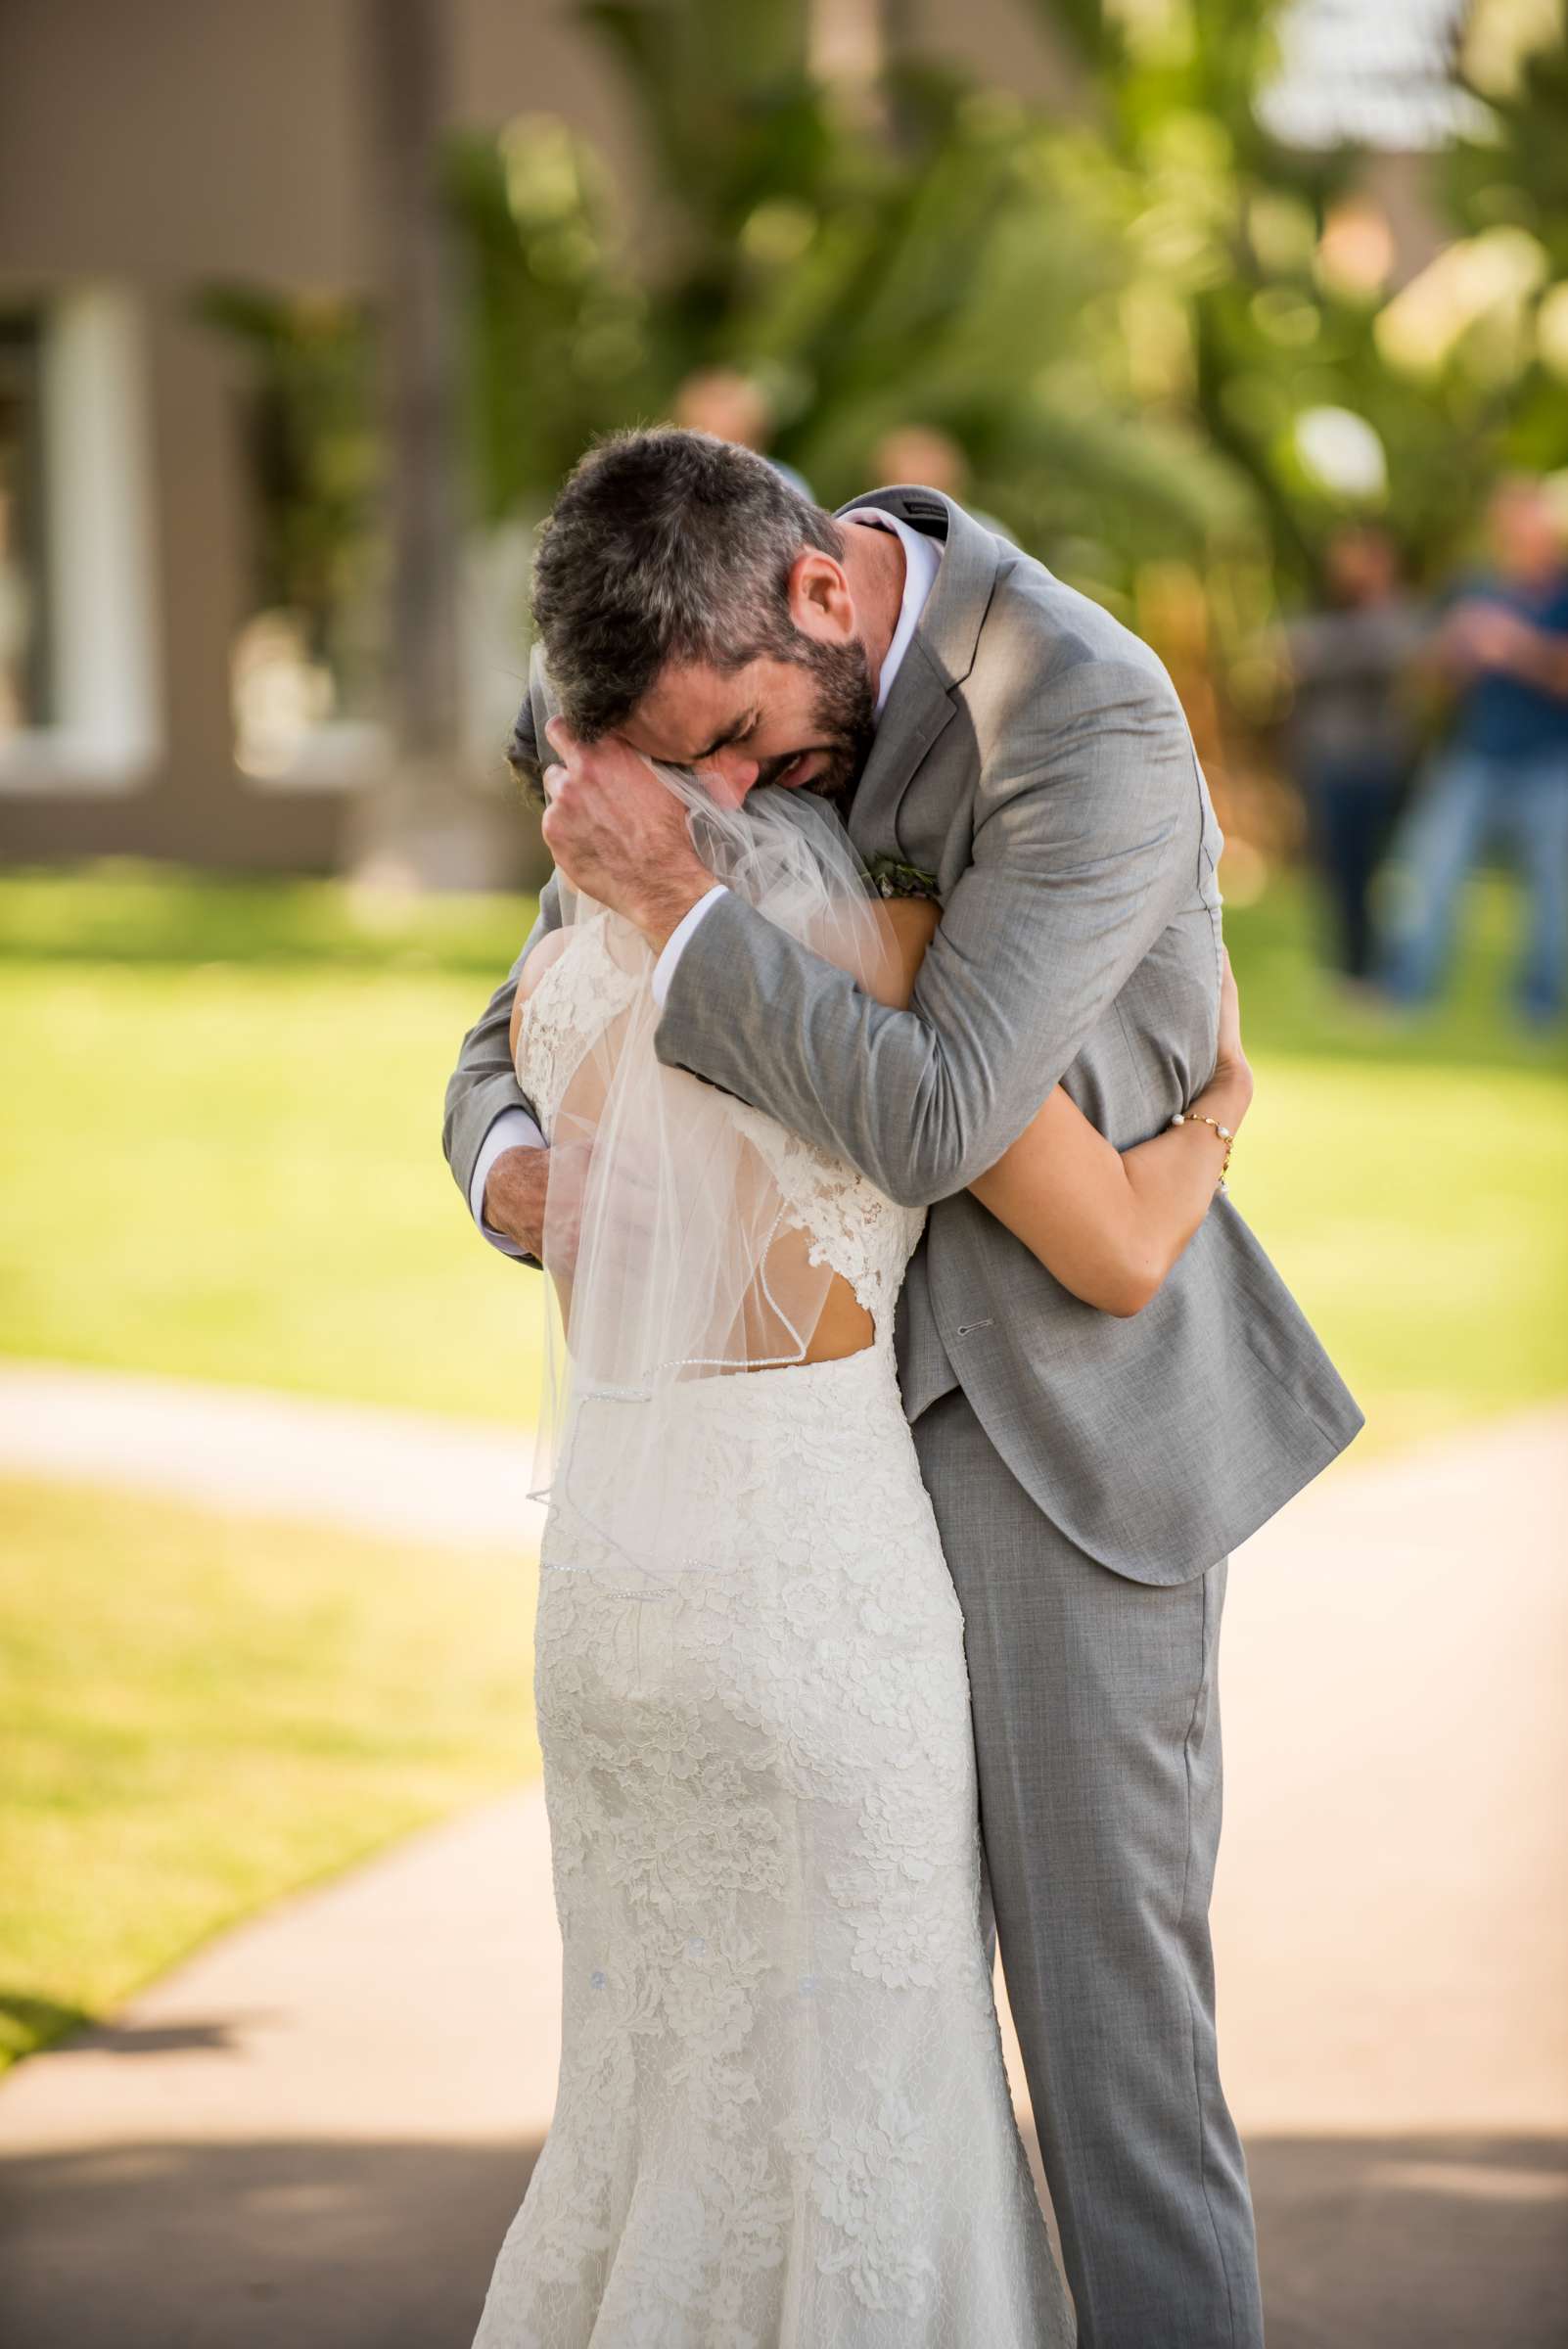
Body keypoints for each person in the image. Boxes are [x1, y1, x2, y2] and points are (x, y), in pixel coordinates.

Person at [444, 430, 1363, 2348]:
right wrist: (512, 1170)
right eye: (681, 774)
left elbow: (942, 1113)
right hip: (788, 1493)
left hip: (1057, 1447)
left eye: (749, 747)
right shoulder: (688, 696)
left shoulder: (1083, 713)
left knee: (1108, 2071)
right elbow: (503, 1034)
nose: (723, 801)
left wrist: (687, 912)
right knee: (813, 2045)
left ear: (823, 597)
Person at [1381, 476, 1568, 1025]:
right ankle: (1407, 990)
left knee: (1554, 888)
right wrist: (1454, 650)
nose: (1516, 530)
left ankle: (1540, 1006)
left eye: (1527, 517)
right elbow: (1429, 680)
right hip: (1472, 755)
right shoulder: (1475, 589)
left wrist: (1516, 648)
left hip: (1550, 761)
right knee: (1428, 869)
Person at [1282, 524, 1422, 988]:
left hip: (1372, 767)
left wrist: (1320, 652)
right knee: (1336, 871)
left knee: (1370, 872)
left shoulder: (1396, 617)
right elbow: (1296, 649)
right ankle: (1349, 968)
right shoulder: (1331, 615)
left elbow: (1379, 649)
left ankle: (1372, 969)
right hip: (1327, 761)